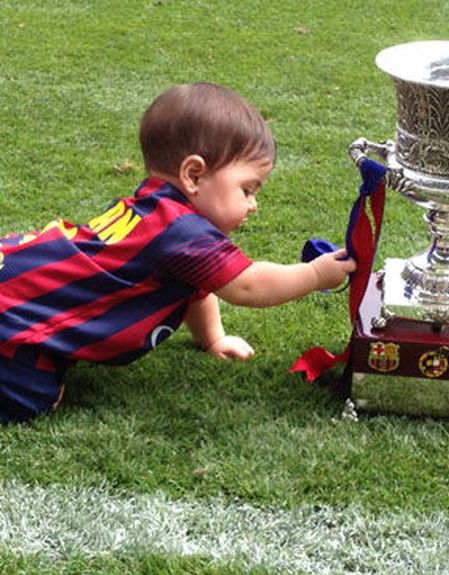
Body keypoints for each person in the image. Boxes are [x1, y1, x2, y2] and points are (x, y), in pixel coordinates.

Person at [0, 82, 355, 423]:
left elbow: (196, 289)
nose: (254, 205)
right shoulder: (182, 232)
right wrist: (314, 275)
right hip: (13, 315)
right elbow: (247, 285)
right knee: (35, 398)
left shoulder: (158, 211)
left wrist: (213, 338)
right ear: (194, 175)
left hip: (17, 276)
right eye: (247, 190)